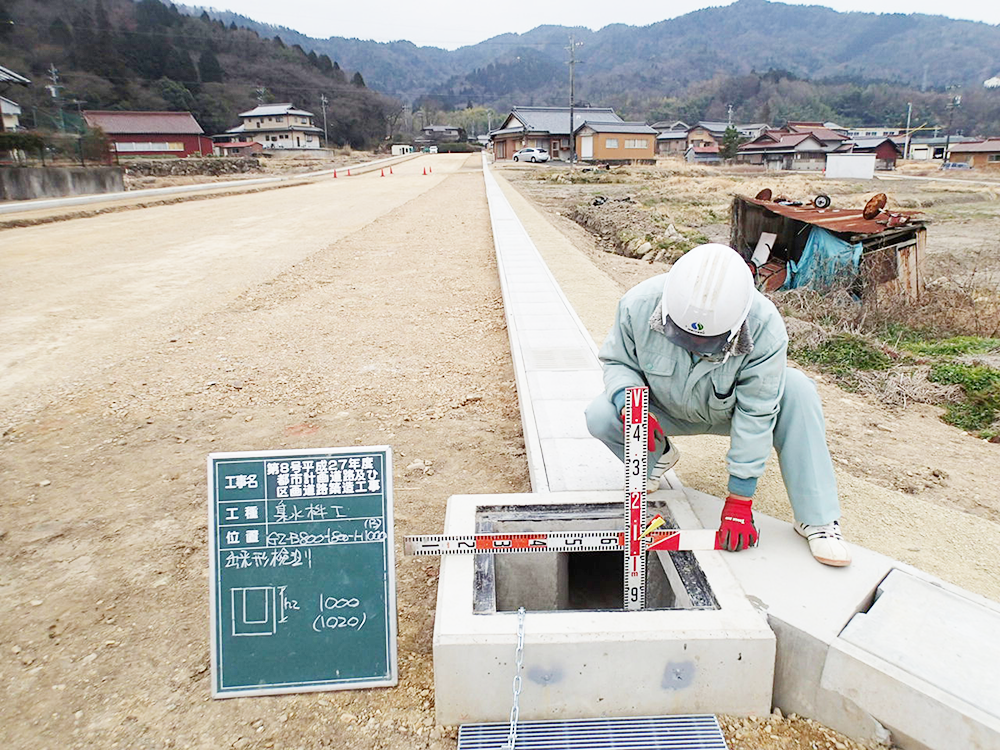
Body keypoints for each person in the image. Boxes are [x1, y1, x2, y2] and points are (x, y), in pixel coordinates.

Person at [585, 243, 851, 567]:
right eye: (685, 337)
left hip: (730, 412)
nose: (695, 348)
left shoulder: (766, 327)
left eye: (706, 343)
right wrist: (629, 403)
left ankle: (818, 517)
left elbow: (757, 411)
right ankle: (657, 455)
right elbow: (618, 361)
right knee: (602, 414)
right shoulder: (638, 305)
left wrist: (740, 499)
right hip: (665, 409)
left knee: (798, 390)